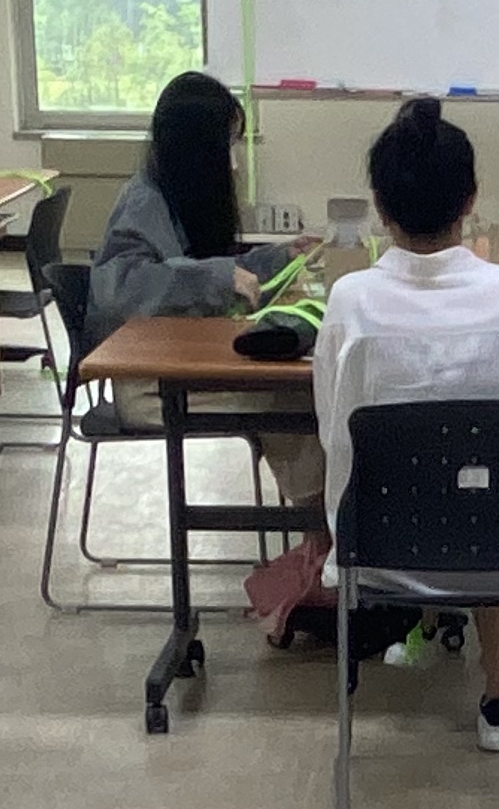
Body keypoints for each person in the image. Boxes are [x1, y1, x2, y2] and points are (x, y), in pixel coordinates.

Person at [311, 99, 499, 751]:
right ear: (471, 199)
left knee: (452, 487)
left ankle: (431, 629)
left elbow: (333, 430)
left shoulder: (350, 302)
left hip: (379, 552)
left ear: (378, 206)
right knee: (496, 485)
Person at [89, 71, 327, 515]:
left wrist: (277, 257)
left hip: (174, 365)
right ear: (197, 149)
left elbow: (204, 266)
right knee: (291, 395)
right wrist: (217, 278)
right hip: (147, 387)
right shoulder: (143, 201)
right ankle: (317, 527)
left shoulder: (174, 190)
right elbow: (122, 293)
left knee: (296, 386)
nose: (233, 163)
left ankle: (316, 523)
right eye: (228, 146)